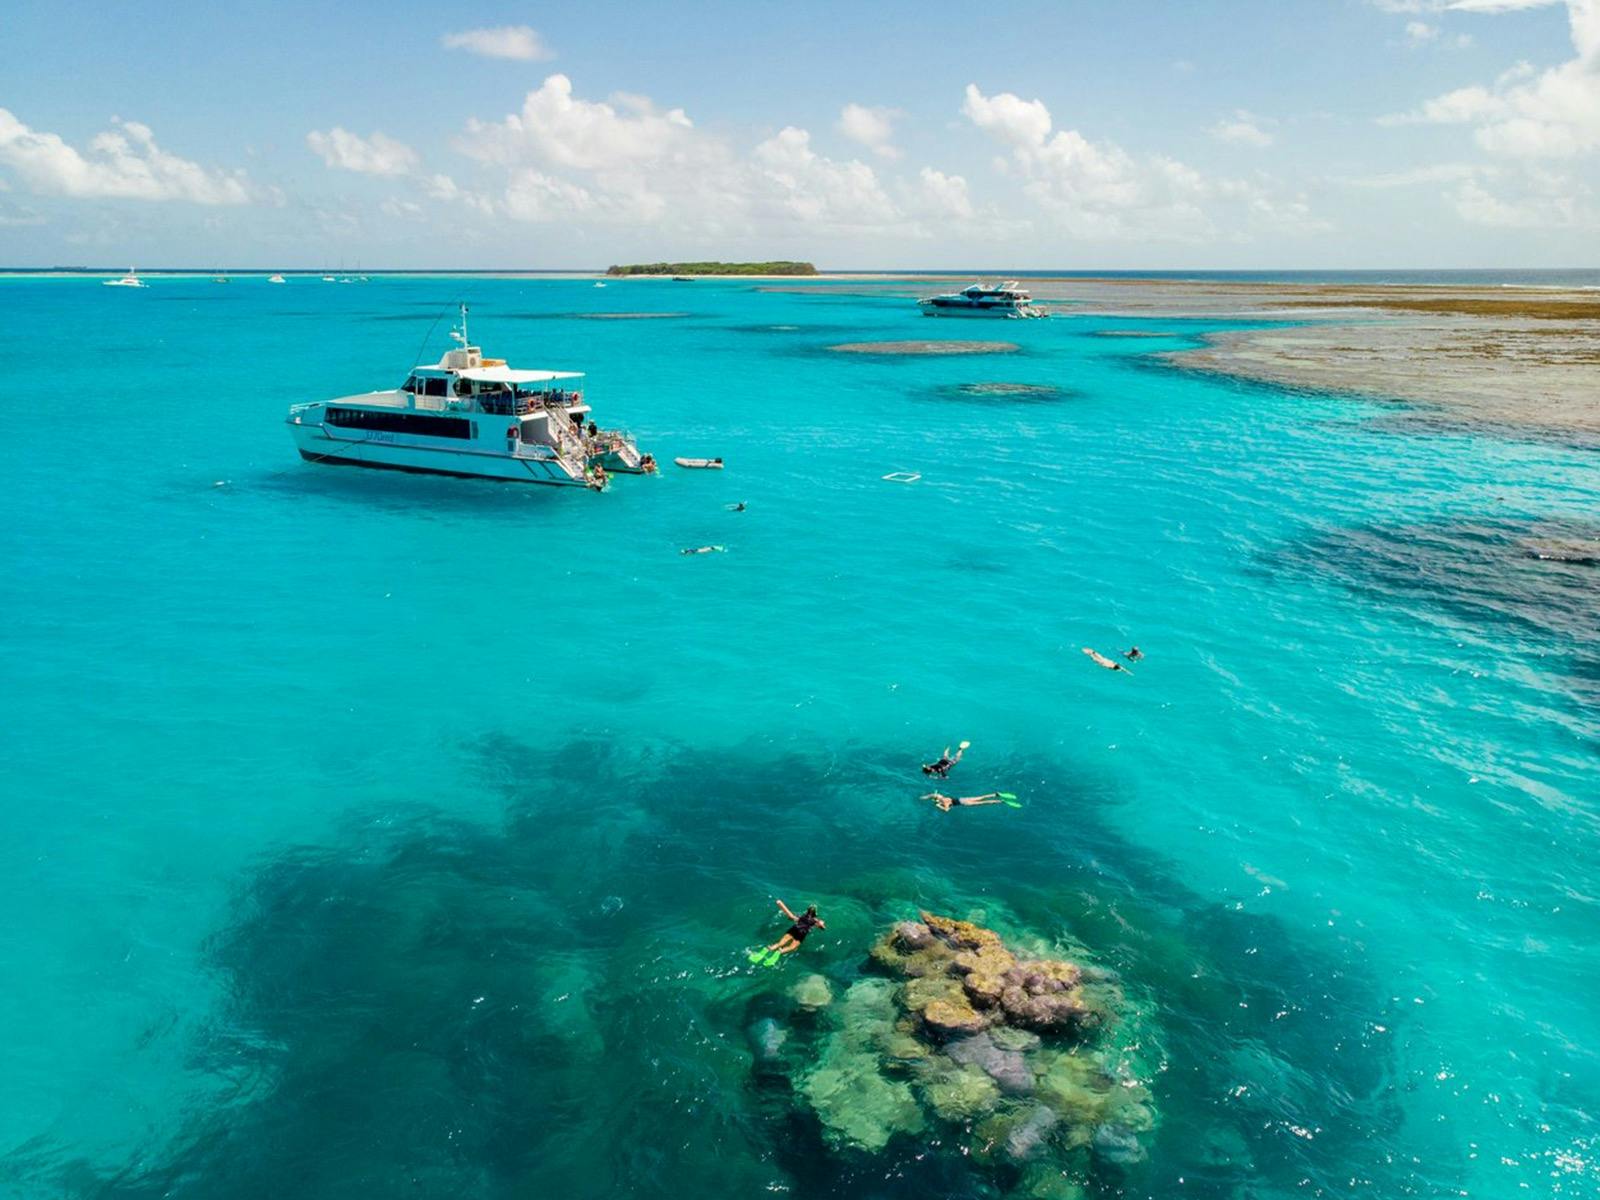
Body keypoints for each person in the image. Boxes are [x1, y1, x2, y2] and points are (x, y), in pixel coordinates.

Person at [922, 791, 1005, 812]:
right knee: (980, 797)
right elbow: (934, 794)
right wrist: (926, 797)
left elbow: (947, 810)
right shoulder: (942, 797)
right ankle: (995, 794)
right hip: (962, 798)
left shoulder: (944, 803)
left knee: (981, 803)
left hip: (963, 802)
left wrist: (939, 806)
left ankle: (999, 801)